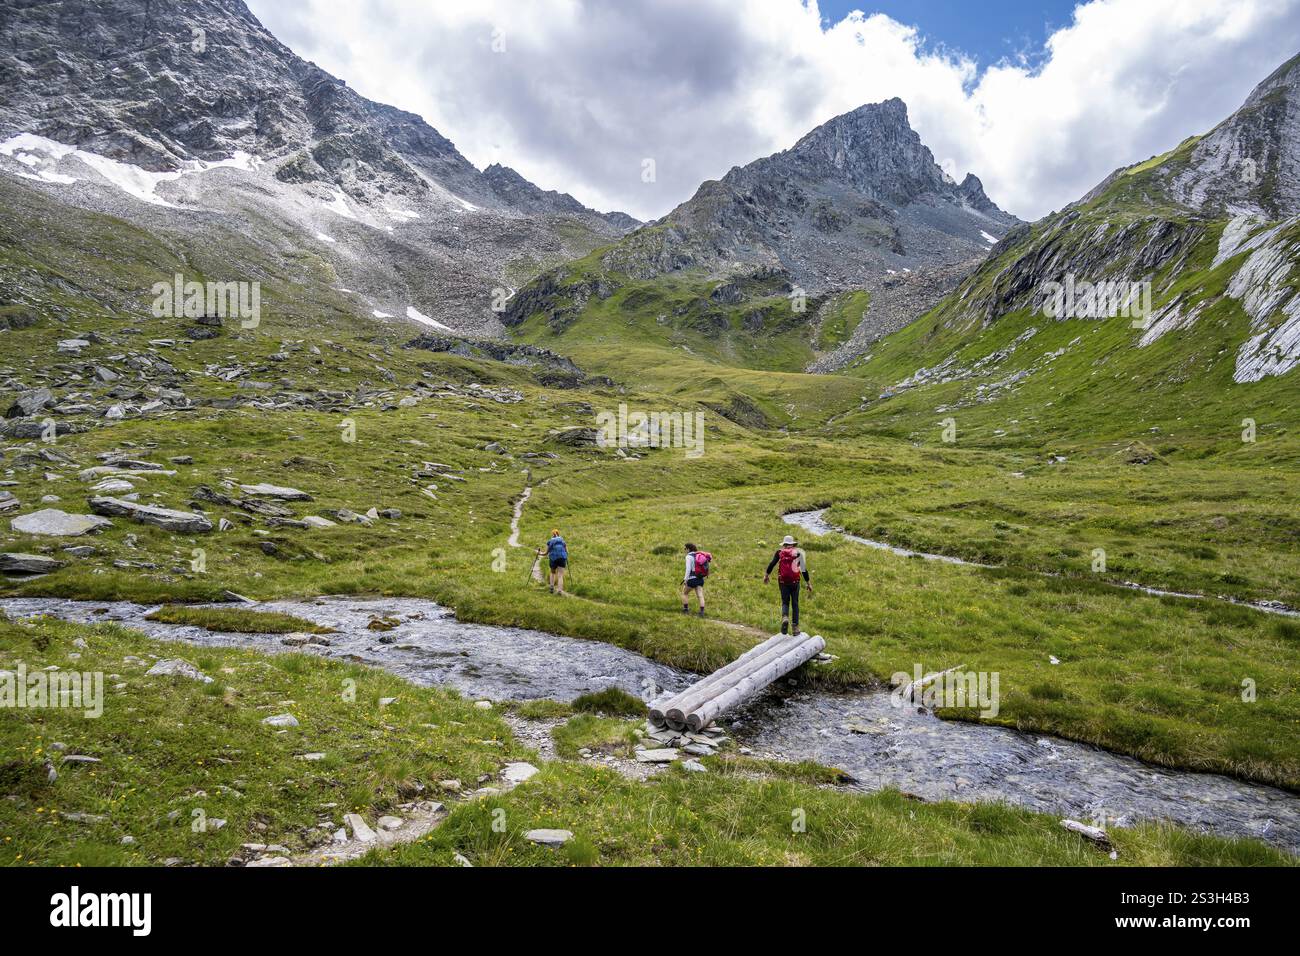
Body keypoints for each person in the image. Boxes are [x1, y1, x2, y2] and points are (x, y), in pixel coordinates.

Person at [764, 534, 812, 634]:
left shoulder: (779, 552)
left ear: (784, 544)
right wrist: (808, 583)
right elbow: (803, 570)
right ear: (793, 544)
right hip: (795, 582)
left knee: (785, 602)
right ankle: (795, 628)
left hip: (783, 582)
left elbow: (772, 564)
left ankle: (785, 617)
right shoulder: (798, 553)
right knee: (795, 604)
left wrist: (766, 575)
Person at [682, 543, 712, 617]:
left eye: (685, 549)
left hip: (692, 579)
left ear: (688, 549)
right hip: (700, 578)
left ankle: (686, 610)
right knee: (700, 595)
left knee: (684, 593)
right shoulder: (699, 555)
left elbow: (688, 569)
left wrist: (685, 579)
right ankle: (701, 612)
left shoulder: (688, 556)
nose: (684, 550)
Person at [539, 529, 568, 595]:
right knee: (560, 575)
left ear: (552, 534)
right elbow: (566, 552)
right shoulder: (563, 541)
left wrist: (539, 553)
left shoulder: (550, 541)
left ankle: (551, 587)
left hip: (553, 559)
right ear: (558, 534)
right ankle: (560, 591)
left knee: (552, 573)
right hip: (562, 558)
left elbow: (545, 553)